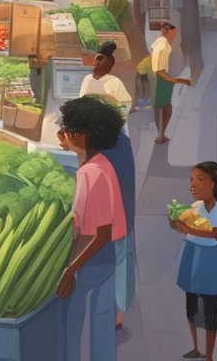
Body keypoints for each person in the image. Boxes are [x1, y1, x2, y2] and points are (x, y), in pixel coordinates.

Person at [56, 96, 127, 361]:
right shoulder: (100, 164)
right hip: (106, 259)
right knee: (100, 327)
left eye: (72, 130)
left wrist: (69, 270)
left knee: (78, 329)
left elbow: (101, 233)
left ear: (87, 134)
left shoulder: (90, 174)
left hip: (93, 260)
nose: (66, 134)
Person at [81, 41, 135, 331]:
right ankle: (100, 293)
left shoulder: (115, 84)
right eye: (96, 57)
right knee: (97, 229)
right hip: (96, 152)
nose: (96, 62)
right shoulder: (87, 80)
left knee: (120, 231)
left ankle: (118, 306)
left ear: (109, 62)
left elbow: (123, 111)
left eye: (100, 58)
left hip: (114, 153)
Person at [173, 161, 217, 361]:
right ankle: (197, 348)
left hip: (211, 262)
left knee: (209, 310)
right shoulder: (193, 207)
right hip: (192, 257)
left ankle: (209, 355)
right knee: (191, 307)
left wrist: (188, 229)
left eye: (200, 179)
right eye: (191, 179)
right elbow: (178, 223)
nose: (193, 184)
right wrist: (174, 222)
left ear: (214, 184)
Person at [151, 22, 192, 144]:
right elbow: (158, 70)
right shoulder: (162, 45)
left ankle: (161, 134)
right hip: (161, 78)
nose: (174, 36)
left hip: (162, 76)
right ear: (165, 32)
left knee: (163, 107)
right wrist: (178, 80)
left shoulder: (161, 43)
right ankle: (160, 135)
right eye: (173, 34)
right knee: (164, 107)